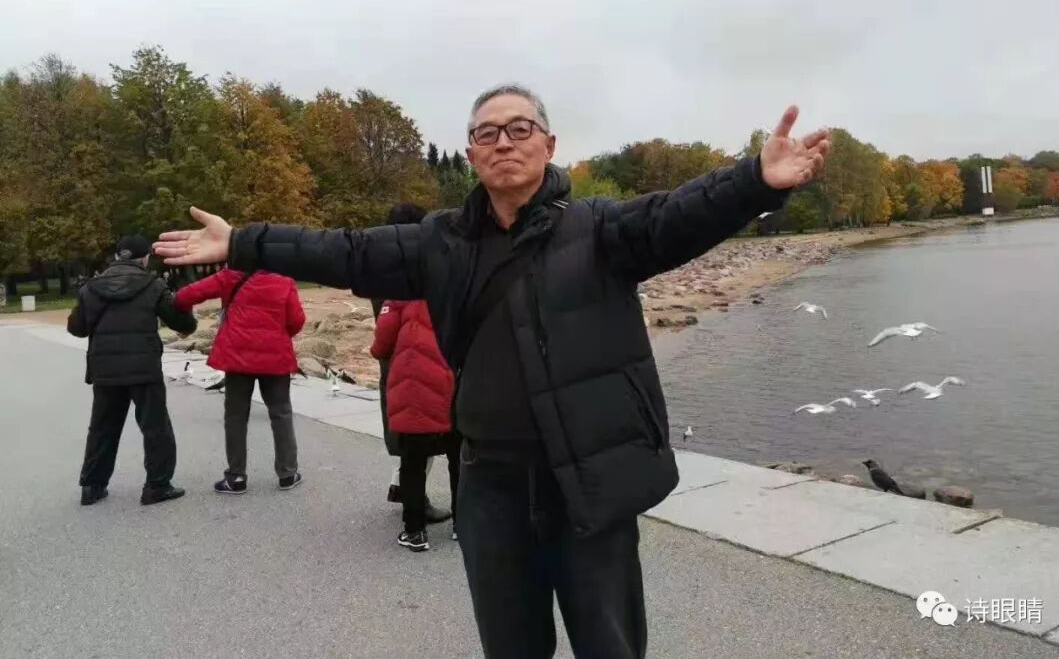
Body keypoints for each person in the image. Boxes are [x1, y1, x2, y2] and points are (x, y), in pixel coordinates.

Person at [155, 86, 830, 658]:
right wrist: (242, 241)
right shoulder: (441, 242)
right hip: (491, 484)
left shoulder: (601, 230)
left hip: (587, 480)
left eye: (519, 129)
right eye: (487, 133)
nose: (504, 142)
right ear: (472, 153)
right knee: (511, 645)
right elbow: (345, 251)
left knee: (610, 643)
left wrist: (755, 181)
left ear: (549, 144)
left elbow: (680, 214)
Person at [68, 235, 196, 506]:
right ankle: (157, 486)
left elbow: (76, 328)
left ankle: (92, 486)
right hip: (143, 367)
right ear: (145, 258)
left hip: (105, 368)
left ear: (117, 256)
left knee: (102, 428)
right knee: (155, 427)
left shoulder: (91, 287)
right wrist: (188, 308)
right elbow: (181, 322)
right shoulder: (153, 285)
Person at [173, 267, 306, 493]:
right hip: (275, 356)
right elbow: (297, 320)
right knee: (281, 413)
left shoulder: (229, 276)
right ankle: (288, 473)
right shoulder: (284, 280)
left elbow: (185, 296)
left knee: (235, 416)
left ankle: (236, 477)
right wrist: (275, 334)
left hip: (237, 356)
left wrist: (183, 318)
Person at [374, 202, 451, 525]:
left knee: (407, 430)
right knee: (427, 429)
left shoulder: (378, 265)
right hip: (422, 357)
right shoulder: (418, 269)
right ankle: (414, 502)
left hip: (393, 357)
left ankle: (401, 487)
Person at [370, 288, 461, 551]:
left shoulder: (399, 293)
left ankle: (415, 531)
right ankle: (462, 524)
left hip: (413, 389)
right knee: (458, 460)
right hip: (450, 384)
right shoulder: (454, 290)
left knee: (413, 463)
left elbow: (382, 343)